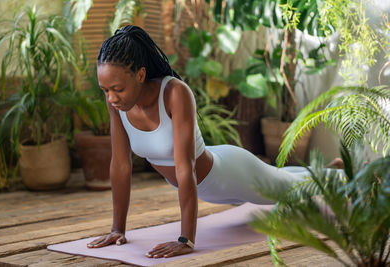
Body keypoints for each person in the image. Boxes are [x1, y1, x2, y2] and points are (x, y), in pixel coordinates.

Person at [86, 25, 342, 259]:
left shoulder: (174, 93)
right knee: (279, 177)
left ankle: (338, 175)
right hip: (212, 187)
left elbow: (185, 167)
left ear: (140, 75)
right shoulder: (118, 106)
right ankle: (329, 168)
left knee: (287, 190)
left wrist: (186, 239)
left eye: (117, 89)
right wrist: (117, 229)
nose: (111, 98)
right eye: (105, 90)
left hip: (230, 174)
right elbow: (120, 164)